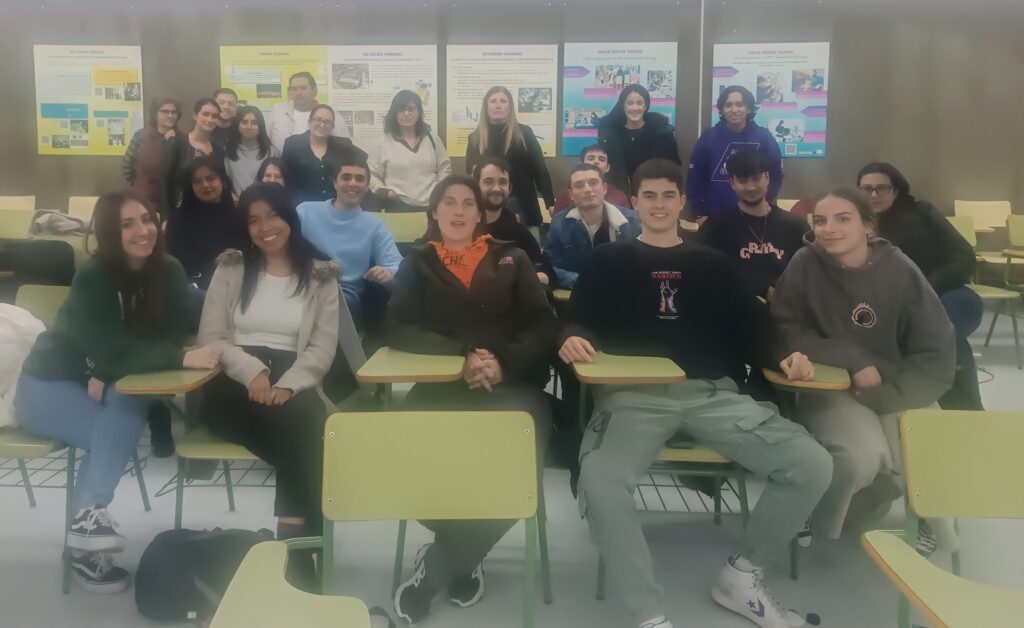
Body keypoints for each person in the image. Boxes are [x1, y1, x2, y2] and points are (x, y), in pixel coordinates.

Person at [559, 159, 832, 628]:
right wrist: (569, 337)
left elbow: (755, 327)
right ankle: (647, 612)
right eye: (649, 195)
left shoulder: (713, 264)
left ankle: (742, 576)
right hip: (633, 397)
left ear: (681, 201)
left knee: (812, 464)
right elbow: (575, 320)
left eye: (669, 195)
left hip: (711, 395)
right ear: (634, 201)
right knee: (601, 480)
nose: (659, 204)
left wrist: (786, 355)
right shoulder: (608, 261)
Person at [14, 190, 219, 593]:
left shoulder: (170, 270)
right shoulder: (93, 275)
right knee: (113, 434)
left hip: (108, 381)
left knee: (128, 402)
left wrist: (112, 369)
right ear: (110, 232)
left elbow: (163, 334)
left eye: (146, 219)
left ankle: (85, 530)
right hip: (47, 383)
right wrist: (175, 358)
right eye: (127, 224)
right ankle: (88, 528)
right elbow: (111, 350)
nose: (142, 230)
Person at [389, 175, 555, 624]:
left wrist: (501, 363)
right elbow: (398, 327)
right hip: (440, 386)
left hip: (511, 387)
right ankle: (466, 550)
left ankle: (437, 568)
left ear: (480, 214)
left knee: (516, 463)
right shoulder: (417, 262)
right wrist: (460, 357)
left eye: (468, 203)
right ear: (434, 211)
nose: (459, 211)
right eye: (449, 202)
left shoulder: (512, 258)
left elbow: (542, 325)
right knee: (402, 454)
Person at [771, 187, 956, 553]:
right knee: (862, 458)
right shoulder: (805, 263)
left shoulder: (900, 269)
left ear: (867, 226)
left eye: (843, 219)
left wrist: (889, 395)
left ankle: (929, 521)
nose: (829, 229)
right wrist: (853, 359)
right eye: (820, 221)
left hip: (897, 383)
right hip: (831, 385)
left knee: (921, 447)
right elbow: (786, 328)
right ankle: (813, 509)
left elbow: (935, 346)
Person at [198, 183, 339, 590]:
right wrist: (252, 372)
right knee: (311, 440)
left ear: (289, 217)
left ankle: (291, 549)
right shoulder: (231, 268)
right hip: (231, 379)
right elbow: (212, 338)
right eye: (254, 220)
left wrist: (290, 383)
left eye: (273, 216)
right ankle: (300, 551)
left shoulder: (321, 275)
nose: (265, 227)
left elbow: (322, 347)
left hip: (293, 376)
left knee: (304, 419)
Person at [856, 162, 984, 411]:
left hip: (941, 290)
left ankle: (967, 411)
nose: (873, 195)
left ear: (896, 190)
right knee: (935, 334)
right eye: (866, 189)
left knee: (945, 330)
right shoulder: (852, 220)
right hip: (884, 302)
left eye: (881, 188)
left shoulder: (922, 213)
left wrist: (925, 286)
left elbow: (963, 255)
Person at [297, 157, 402, 328]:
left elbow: (396, 264)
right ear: (335, 183)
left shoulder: (375, 225)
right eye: (346, 177)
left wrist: (388, 272)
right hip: (302, 285)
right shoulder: (305, 211)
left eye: (359, 179)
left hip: (344, 294)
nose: (352, 183)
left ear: (367, 186)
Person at [695, 150, 808, 299]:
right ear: (732, 183)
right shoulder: (715, 228)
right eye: (743, 180)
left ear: (767, 177)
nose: (751, 187)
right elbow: (701, 275)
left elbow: (811, 277)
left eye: (756, 178)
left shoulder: (796, 227)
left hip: (786, 310)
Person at [465, 86, 554, 233]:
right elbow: (472, 177)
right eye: (493, 101)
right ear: (486, 106)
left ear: (510, 106)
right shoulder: (475, 138)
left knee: (530, 247)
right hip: (489, 211)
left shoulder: (524, 133)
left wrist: (550, 202)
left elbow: (540, 170)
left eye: (503, 101)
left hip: (525, 208)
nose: (498, 105)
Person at [687, 86, 783, 219]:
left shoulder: (764, 137)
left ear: (749, 108)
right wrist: (699, 212)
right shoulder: (709, 137)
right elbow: (695, 177)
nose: (734, 109)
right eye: (728, 105)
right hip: (714, 215)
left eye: (739, 104)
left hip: (754, 213)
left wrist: (764, 201)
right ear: (722, 110)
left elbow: (775, 174)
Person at [545, 163, 640, 289]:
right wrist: (584, 281)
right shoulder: (559, 224)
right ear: (571, 194)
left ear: (604, 188)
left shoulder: (633, 222)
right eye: (579, 185)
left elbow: (644, 264)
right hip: (578, 292)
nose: (587, 189)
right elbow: (549, 266)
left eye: (593, 183)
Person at [471, 157, 554, 286]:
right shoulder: (460, 227)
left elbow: (547, 272)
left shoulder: (518, 233)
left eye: (502, 182)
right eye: (488, 182)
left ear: (509, 188)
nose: (496, 188)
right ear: (476, 187)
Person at [165, 157, 245, 290]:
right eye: (197, 181)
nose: (205, 185)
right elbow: (175, 264)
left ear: (222, 180)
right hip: (194, 291)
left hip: (235, 287)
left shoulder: (238, 216)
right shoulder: (178, 220)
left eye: (211, 178)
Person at [369, 90, 451, 212]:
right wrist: (386, 193)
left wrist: (438, 189)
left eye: (411, 109)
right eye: (402, 110)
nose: (406, 113)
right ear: (395, 113)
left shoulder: (432, 138)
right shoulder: (382, 142)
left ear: (418, 113)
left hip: (431, 206)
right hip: (398, 206)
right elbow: (371, 175)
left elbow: (444, 167)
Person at [597, 84, 681, 195]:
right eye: (630, 103)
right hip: (620, 193)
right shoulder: (611, 135)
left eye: (640, 103)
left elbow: (672, 167)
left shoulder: (662, 133)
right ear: (622, 106)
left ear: (645, 106)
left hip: (653, 192)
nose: (635, 108)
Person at [282, 104, 366, 204]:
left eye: (327, 122)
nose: (322, 125)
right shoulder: (292, 144)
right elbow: (285, 179)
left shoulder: (343, 145)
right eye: (318, 120)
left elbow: (362, 167)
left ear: (332, 126)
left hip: (336, 206)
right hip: (302, 206)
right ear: (309, 122)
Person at [160, 97, 224, 217]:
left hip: (211, 212)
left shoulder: (218, 150)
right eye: (205, 114)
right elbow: (163, 180)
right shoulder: (177, 143)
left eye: (214, 116)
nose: (210, 119)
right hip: (181, 212)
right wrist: (165, 216)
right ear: (195, 115)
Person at [268, 72, 350, 154]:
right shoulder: (278, 111)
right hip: (281, 161)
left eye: (303, 88)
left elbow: (345, 146)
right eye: (294, 89)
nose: (298, 93)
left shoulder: (330, 113)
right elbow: (265, 142)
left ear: (315, 90)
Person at [122, 97, 180, 206]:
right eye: (165, 111)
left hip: (171, 201)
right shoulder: (141, 136)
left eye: (174, 112)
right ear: (155, 115)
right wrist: (137, 184)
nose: (170, 115)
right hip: (144, 199)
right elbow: (127, 163)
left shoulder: (182, 139)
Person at [552, 144, 631, 214]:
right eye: (591, 158)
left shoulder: (619, 197)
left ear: (608, 168)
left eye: (602, 159)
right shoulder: (566, 195)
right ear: (581, 164)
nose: (596, 162)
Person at [224, 106, 280, 197]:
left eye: (254, 123)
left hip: (265, 203)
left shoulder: (272, 153)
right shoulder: (228, 152)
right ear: (238, 124)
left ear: (260, 125)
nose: (249, 127)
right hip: (237, 204)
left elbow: (277, 185)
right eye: (244, 122)